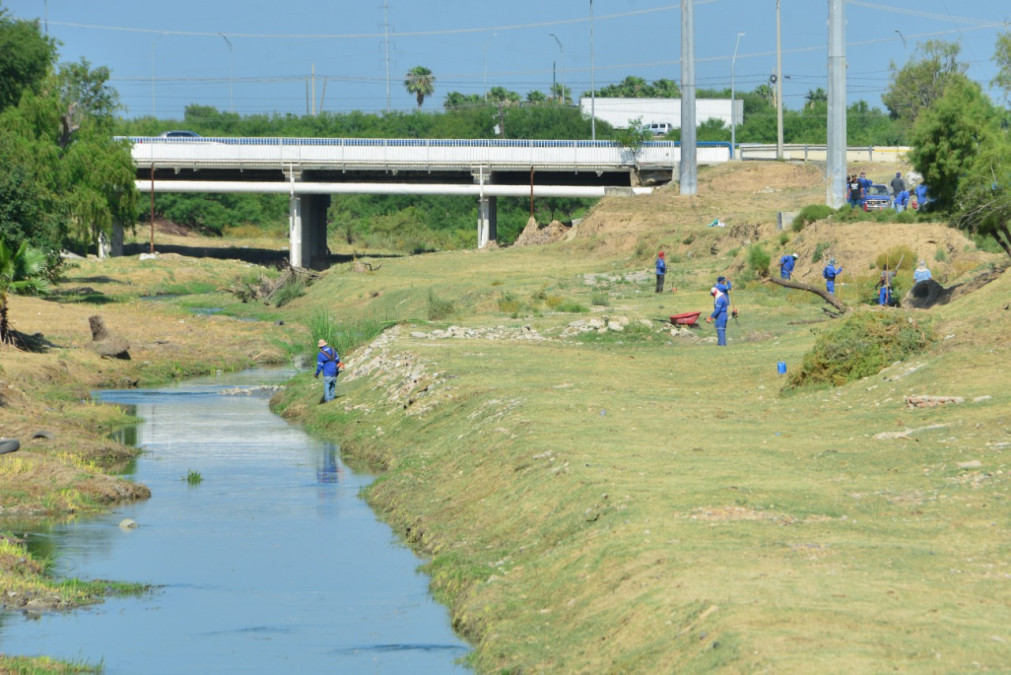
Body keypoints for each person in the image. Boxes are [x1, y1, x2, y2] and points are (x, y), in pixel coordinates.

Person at [314, 338, 344, 403]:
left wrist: (316, 374)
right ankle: (332, 400)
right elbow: (338, 360)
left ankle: (327, 401)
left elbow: (320, 367)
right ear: (325, 344)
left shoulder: (320, 354)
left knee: (327, 386)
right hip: (335, 372)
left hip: (327, 373)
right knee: (333, 386)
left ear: (320, 347)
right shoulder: (333, 350)